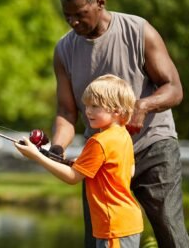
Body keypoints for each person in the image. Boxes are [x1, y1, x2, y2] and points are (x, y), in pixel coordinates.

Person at [48, 0, 189, 248]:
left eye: (80, 14)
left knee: (170, 233)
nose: (73, 22)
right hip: (101, 155)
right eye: (67, 16)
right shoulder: (64, 50)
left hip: (153, 145)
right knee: (99, 239)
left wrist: (143, 106)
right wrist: (57, 149)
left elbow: (174, 88)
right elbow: (67, 112)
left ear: (100, 2)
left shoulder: (138, 31)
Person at [16, 74, 143, 248]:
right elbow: (129, 170)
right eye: (87, 105)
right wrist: (86, 163)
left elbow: (72, 177)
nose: (88, 111)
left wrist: (37, 156)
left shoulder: (99, 141)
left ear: (116, 110)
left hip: (113, 227)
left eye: (95, 106)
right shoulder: (123, 135)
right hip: (127, 222)